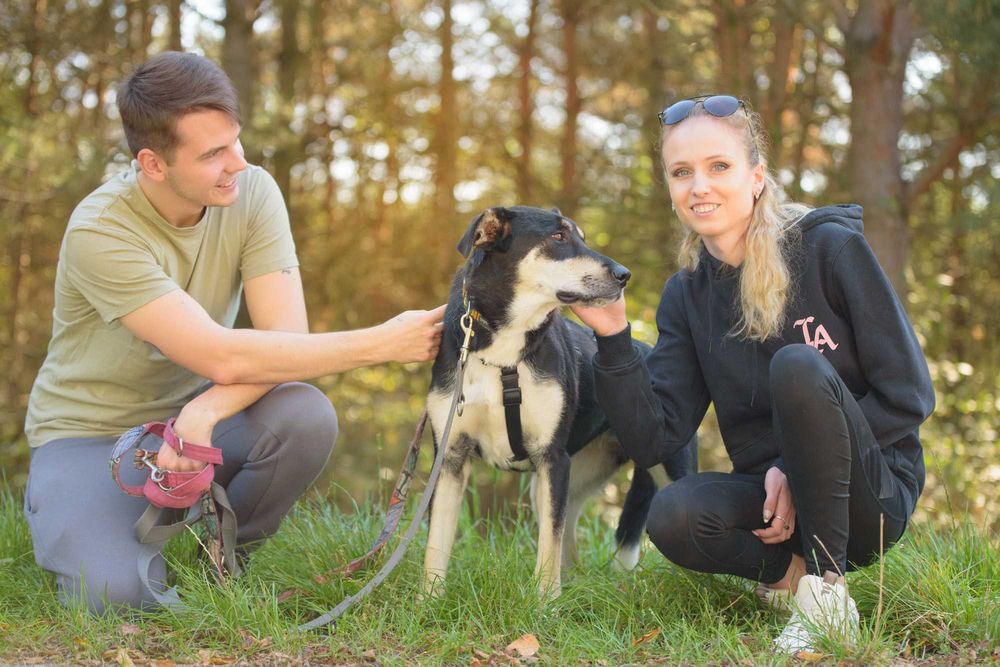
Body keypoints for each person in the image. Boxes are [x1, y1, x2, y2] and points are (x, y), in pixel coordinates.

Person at [23, 51, 444, 614]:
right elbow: (221, 355)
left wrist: (203, 412)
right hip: (89, 438)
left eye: (235, 141)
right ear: (153, 163)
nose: (237, 163)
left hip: (198, 424)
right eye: (212, 154)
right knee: (116, 598)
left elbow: (287, 343)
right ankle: (79, 514)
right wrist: (383, 343)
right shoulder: (99, 232)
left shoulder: (253, 192)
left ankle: (219, 558)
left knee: (303, 413)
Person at [571, 95, 934, 653]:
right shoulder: (686, 294)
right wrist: (614, 338)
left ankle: (828, 597)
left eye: (719, 166)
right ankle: (791, 578)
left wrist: (793, 465)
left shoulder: (830, 248)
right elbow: (655, 439)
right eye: (681, 172)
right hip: (775, 512)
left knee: (798, 365)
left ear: (756, 176)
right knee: (673, 513)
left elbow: (910, 395)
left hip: (870, 494)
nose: (699, 187)